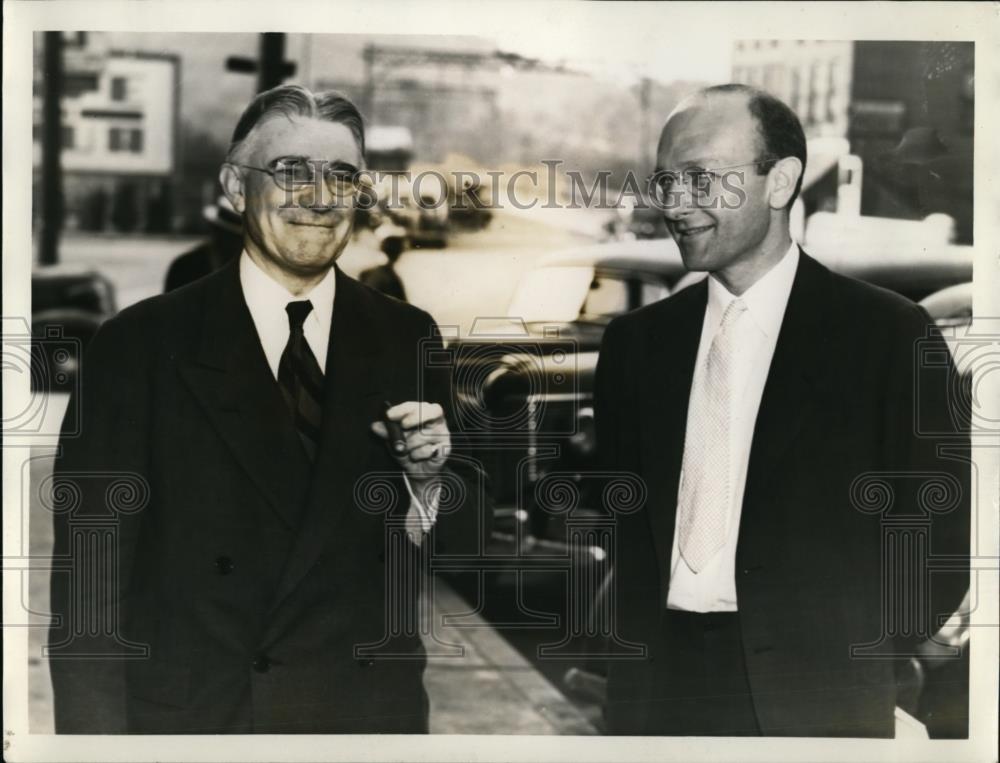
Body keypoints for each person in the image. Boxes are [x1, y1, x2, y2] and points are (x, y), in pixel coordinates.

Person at [48, 85, 485, 734]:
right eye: (290, 171)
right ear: (234, 185)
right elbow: (89, 596)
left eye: (341, 175)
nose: (318, 196)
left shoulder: (405, 336)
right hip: (200, 727)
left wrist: (427, 485)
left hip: (362, 722)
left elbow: (467, 541)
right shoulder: (138, 347)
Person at [595, 84, 969, 737]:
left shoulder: (888, 335)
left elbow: (943, 532)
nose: (674, 204)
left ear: (781, 182)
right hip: (655, 699)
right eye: (665, 180)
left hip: (818, 703)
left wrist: (858, 652)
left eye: (700, 178)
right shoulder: (636, 345)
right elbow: (621, 520)